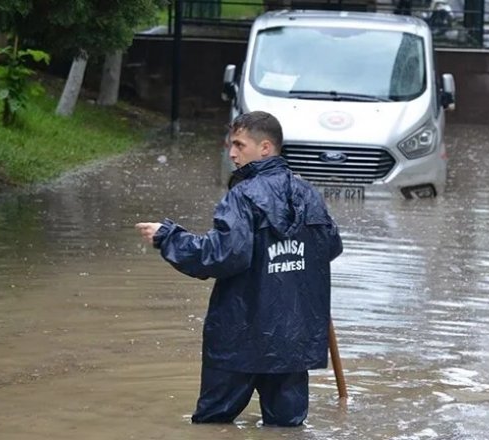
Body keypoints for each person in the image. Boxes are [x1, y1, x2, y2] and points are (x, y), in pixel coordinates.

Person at [135, 111, 343, 427]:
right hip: (292, 340)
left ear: (265, 148)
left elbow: (222, 256)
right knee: (286, 428)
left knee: (212, 424)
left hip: (239, 336)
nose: (231, 153)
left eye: (238, 145)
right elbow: (331, 247)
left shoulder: (242, 196)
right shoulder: (309, 195)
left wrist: (168, 237)